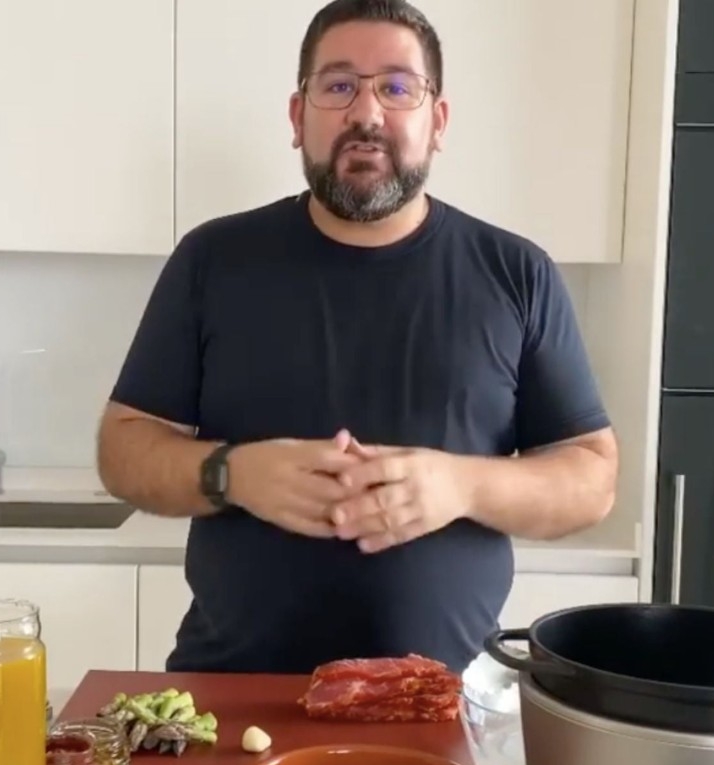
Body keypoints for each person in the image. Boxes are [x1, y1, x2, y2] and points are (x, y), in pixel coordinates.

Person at [97, 0, 618, 675]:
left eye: (398, 87)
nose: (366, 114)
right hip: (231, 694)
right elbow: (123, 448)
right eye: (338, 85)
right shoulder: (214, 260)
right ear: (298, 116)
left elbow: (591, 477)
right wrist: (233, 473)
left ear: (438, 122)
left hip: (444, 702)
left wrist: (462, 486)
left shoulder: (517, 273)